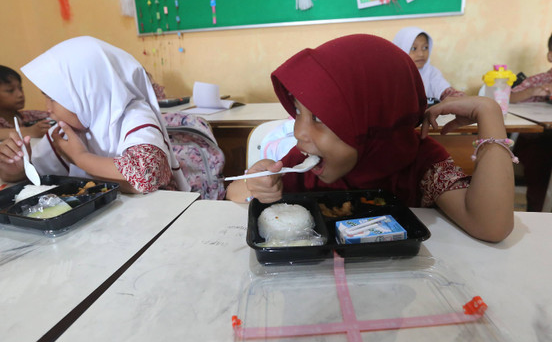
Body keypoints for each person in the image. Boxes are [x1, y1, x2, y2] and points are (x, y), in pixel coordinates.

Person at [227, 34, 514, 242]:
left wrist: (488, 113)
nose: (298, 132)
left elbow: (492, 226)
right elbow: (235, 194)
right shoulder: (306, 161)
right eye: (298, 113)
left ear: (374, 118)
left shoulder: (421, 163)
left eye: (317, 118)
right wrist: (257, 182)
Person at [0, 36, 190, 194]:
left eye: (53, 98)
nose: (47, 109)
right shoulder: (69, 129)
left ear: (87, 92)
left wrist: (80, 157)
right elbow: (35, 176)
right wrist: (15, 168)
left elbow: (145, 177)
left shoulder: (134, 116)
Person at [509, 33, 552, 211]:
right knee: (539, 160)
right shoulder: (540, 80)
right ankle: (537, 212)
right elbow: (510, 96)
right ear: (550, 55)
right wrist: (534, 91)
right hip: (540, 142)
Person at [0, 64, 51, 143]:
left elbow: (54, 115)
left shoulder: (30, 115)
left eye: (20, 88)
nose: (20, 94)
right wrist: (29, 131)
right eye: (10, 90)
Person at [393, 27, 465, 102]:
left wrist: (453, 95)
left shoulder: (432, 72)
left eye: (425, 47)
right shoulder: (393, 76)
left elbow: (443, 90)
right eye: (414, 48)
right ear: (401, 49)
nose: (421, 54)